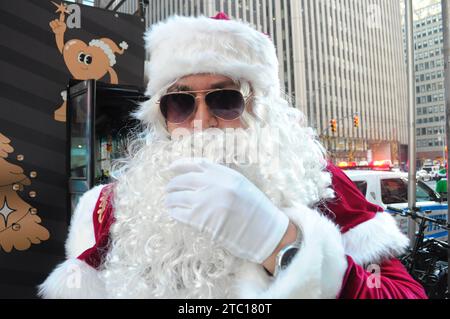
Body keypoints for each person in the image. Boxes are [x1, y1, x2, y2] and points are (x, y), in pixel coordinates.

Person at [39, 13, 427, 299]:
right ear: (162, 117)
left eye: (226, 99)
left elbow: (402, 295)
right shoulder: (112, 207)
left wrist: (279, 243)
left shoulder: (319, 185)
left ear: (262, 109)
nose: (202, 122)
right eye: (180, 103)